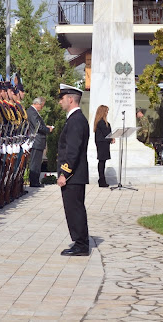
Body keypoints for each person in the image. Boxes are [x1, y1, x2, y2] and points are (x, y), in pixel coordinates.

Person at [56, 84, 90, 256]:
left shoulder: (76, 120)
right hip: (74, 175)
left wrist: (64, 173)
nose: (60, 102)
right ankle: (80, 241)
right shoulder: (75, 119)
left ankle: (81, 245)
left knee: (74, 209)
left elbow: (72, 151)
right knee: (74, 208)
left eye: (62, 98)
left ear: (70, 99)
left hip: (73, 176)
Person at [26, 97, 54, 188]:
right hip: (36, 140)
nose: (41, 108)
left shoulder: (33, 112)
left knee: (37, 162)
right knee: (35, 163)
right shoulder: (32, 112)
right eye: (41, 106)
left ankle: (35, 181)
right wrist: (48, 129)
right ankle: (34, 182)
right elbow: (38, 127)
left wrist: (45, 126)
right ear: (37, 104)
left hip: (38, 140)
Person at [94, 105, 114, 188]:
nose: (107, 113)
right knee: (102, 161)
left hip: (104, 143)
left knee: (103, 161)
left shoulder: (102, 122)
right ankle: (102, 180)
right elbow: (106, 132)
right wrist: (111, 138)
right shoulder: (101, 122)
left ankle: (102, 179)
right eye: (106, 111)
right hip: (102, 143)